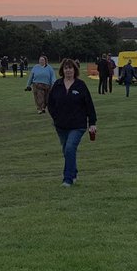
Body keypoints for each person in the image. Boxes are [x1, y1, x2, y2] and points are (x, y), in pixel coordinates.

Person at [46, 58, 97, 186]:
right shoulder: (57, 85)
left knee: (69, 148)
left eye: (70, 68)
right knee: (66, 150)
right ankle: (73, 172)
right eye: (66, 68)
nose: (68, 70)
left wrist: (92, 123)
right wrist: (55, 117)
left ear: (75, 70)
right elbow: (50, 103)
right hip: (61, 125)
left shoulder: (81, 85)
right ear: (62, 70)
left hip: (77, 125)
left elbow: (89, 105)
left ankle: (67, 179)